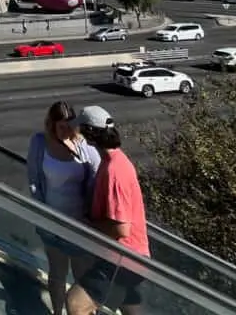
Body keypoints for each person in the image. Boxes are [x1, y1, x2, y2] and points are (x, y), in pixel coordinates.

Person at [66, 106, 150, 315]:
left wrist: (88, 226)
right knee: (131, 308)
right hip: (131, 257)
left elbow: (121, 229)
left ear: (90, 134)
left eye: (81, 131)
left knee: (76, 304)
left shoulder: (115, 171)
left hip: (123, 258)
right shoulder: (113, 161)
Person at [27, 101, 101, 315]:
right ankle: (57, 312)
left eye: (70, 126)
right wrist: (42, 210)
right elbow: (33, 178)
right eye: (61, 127)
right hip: (52, 221)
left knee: (81, 276)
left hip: (80, 225)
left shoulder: (85, 147)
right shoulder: (40, 143)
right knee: (58, 272)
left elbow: (98, 177)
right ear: (51, 125)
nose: (66, 131)